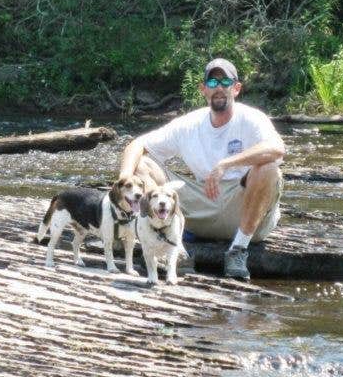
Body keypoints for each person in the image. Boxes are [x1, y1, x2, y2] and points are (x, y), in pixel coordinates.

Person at [118, 58, 285, 280]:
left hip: (243, 207)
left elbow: (277, 148)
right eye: (213, 83)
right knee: (140, 166)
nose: (219, 88)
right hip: (201, 204)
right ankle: (170, 244)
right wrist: (124, 178)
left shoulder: (252, 118)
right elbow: (137, 145)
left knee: (269, 169)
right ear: (203, 89)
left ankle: (238, 250)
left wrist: (227, 163)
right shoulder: (189, 124)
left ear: (236, 88)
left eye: (225, 82)